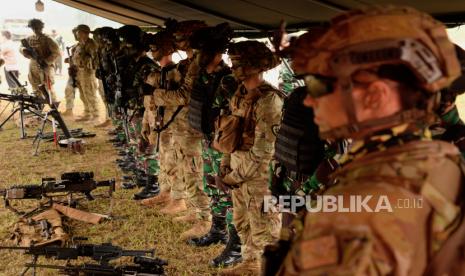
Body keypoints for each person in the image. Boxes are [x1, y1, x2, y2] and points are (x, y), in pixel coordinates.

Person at [276, 6, 465, 275]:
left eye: (319, 85)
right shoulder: (440, 157)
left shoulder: (356, 212)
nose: (308, 99)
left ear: (375, 96)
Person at [214, 40, 283, 275]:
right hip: (237, 169)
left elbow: (263, 153)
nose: (232, 68)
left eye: (237, 64)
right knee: (242, 222)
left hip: (258, 178)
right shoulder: (239, 94)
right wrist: (224, 167)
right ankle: (250, 264)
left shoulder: (269, 101)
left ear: (253, 66)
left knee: (264, 230)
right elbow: (228, 134)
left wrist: (233, 177)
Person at [20, 19, 60, 103]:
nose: (35, 29)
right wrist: (23, 50)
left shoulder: (48, 39)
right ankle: (38, 107)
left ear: (41, 27)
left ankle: (54, 107)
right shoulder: (29, 38)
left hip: (45, 65)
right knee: (35, 86)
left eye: (37, 27)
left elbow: (56, 52)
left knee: (48, 87)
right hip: (33, 65)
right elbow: (21, 47)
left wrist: (46, 61)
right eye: (33, 27)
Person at [72, 24, 99, 122]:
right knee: (83, 94)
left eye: (78, 31)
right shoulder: (79, 44)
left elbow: (95, 59)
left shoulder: (91, 44)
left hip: (87, 72)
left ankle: (95, 115)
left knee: (90, 93)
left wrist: (84, 60)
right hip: (79, 72)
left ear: (84, 33)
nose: (76, 33)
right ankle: (87, 113)